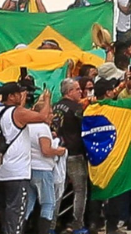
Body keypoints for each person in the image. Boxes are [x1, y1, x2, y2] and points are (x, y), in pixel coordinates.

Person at [0, 82, 56, 234]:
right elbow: (42, 116)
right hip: (17, 172)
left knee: (5, 214)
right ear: (11, 96)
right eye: (19, 93)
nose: (22, 96)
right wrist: (47, 99)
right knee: (16, 215)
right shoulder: (18, 113)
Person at [53, 79, 89, 234]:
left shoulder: (54, 107)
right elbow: (86, 127)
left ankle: (51, 225)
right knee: (80, 189)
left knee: (57, 191)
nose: (80, 91)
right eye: (77, 89)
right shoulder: (76, 108)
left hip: (57, 153)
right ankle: (77, 224)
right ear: (69, 92)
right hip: (74, 153)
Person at [25, 116, 66, 234]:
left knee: (28, 204)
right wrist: (59, 151)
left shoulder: (28, 125)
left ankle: (20, 230)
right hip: (43, 168)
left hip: (29, 168)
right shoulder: (43, 127)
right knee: (48, 204)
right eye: (50, 112)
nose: (52, 116)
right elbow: (46, 150)